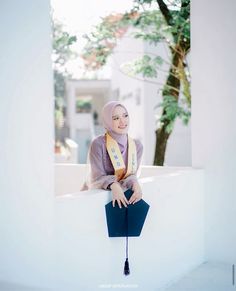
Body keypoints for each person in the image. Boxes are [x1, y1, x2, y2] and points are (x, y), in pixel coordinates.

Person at [86, 101, 143, 208]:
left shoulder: (137, 146)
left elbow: (131, 175)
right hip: (96, 202)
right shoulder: (99, 144)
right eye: (116, 118)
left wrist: (135, 184)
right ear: (107, 121)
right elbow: (96, 178)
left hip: (125, 200)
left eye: (125, 116)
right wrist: (114, 185)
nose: (122, 121)